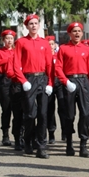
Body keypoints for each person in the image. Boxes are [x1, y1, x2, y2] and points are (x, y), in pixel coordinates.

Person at [55, 22, 89, 158]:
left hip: (84, 81)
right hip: (70, 81)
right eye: (74, 31)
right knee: (69, 115)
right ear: (69, 33)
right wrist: (66, 82)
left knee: (85, 114)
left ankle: (83, 145)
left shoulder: (87, 49)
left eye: (79, 31)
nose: (77, 33)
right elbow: (58, 68)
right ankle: (69, 143)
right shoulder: (63, 49)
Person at [13, 14, 53, 159]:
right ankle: (28, 141)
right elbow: (16, 64)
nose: (34, 26)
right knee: (30, 114)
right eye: (31, 24)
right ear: (27, 26)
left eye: (36, 23)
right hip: (29, 79)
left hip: (42, 78)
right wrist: (23, 81)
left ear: (39, 25)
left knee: (43, 114)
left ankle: (41, 145)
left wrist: (50, 83)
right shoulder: (21, 42)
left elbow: (49, 65)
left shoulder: (44, 43)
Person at [0, 30, 17, 146]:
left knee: (18, 110)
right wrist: (8, 59)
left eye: (11, 38)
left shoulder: (17, 51)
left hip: (16, 81)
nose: (9, 40)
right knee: (6, 109)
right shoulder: (0, 52)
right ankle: (5, 135)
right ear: (3, 40)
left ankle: (18, 135)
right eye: (7, 38)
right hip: (5, 81)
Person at [46, 35, 67, 143]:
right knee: (50, 109)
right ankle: (51, 133)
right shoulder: (43, 56)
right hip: (48, 84)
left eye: (52, 44)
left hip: (59, 83)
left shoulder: (59, 56)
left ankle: (65, 131)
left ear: (55, 45)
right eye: (48, 44)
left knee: (63, 107)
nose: (51, 46)